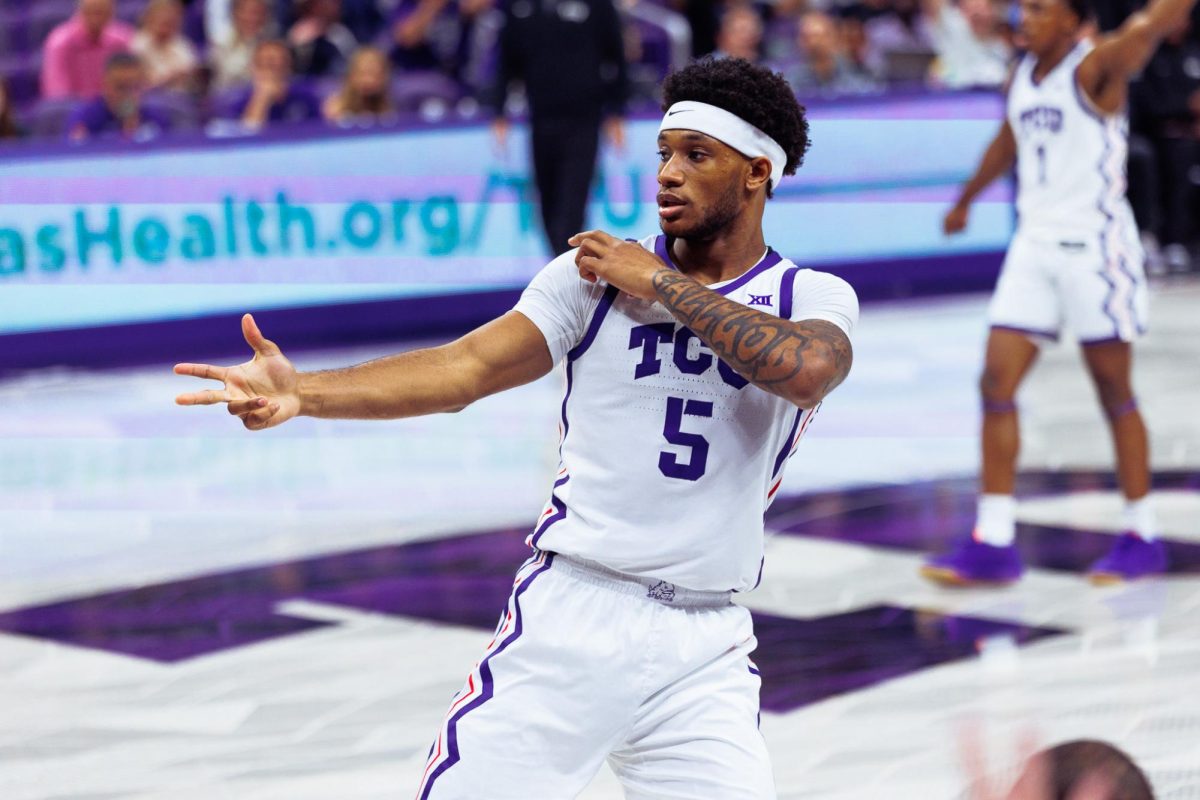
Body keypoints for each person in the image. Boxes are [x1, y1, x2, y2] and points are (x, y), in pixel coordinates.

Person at [173, 56, 857, 798]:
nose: (668, 173)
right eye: (664, 153)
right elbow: (462, 370)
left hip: (707, 642)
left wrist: (657, 282)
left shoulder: (806, 294)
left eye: (697, 155)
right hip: (575, 617)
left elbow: (808, 370)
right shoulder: (588, 281)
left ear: (757, 172)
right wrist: (305, 391)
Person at [921, 0, 1199, 587]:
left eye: (1042, 10)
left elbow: (1147, 28)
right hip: (1034, 246)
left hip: (1095, 249)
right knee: (995, 383)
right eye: (1025, 10)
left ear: (1073, 23)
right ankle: (994, 541)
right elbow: (1009, 137)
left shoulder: (1095, 66)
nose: (1027, 19)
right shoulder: (1022, 73)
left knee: (1113, 391)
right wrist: (967, 199)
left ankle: (1142, 534)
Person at [487, 0, 628, 256]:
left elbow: (616, 55)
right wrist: (499, 110)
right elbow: (506, 60)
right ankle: (562, 266)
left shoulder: (597, 5)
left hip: (584, 120)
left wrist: (617, 111)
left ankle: (567, 273)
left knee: (571, 204)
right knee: (546, 202)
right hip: (540, 120)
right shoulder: (520, 7)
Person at [65, 52, 171, 142]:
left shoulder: (156, 120)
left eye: (135, 88)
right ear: (105, 85)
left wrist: (133, 130)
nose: (127, 96)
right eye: (121, 87)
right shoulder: (85, 117)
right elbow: (76, 149)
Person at [41, 0, 136, 100]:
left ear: (111, 14)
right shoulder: (60, 43)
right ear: (80, 12)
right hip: (73, 108)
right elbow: (58, 92)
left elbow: (133, 83)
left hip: (113, 105)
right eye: (91, 12)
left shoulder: (122, 40)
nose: (96, 18)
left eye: (102, 12)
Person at [783, 10, 881, 96]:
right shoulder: (791, 80)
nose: (814, 42)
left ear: (833, 38)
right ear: (800, 41)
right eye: (807, 37)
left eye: (819, 36)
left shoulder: (853, 74)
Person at [229, 40, 321, 128]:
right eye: (263, 65)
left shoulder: (305, 96)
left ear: (289, 68)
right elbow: (245, 136)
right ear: (253, 68)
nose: (270, 74)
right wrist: (262, 100)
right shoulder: (237, 101)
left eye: (276, 66)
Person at [130, 0, 200, 92]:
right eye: (165, 20)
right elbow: (138, 86)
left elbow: (192, 71)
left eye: (173, 20)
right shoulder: (137, 45)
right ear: (149, 18)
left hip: (185, 96)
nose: (170, 22)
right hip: (152, 100)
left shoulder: (181, 44)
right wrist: (169, 80)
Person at [209, 0, 274, 91]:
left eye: (258, 13)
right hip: (227, 97)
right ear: (235, 13)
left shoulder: (272, 43)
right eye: (248, 12)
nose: (253, 18)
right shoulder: (221, 41)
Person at [287, 0, 359, 78]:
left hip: (338, 78)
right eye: (323, 4)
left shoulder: (342, 32)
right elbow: (297, 63)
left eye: (333, 4)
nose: (329, 8)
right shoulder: (300, 31)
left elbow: (352, 60)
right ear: (313, 7)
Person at [322, 46, 394, 123]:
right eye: (363, 74)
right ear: (352, 76)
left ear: (384, 77)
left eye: (374, 74)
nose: (368, 80)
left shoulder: (392, 109)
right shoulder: (335, 110)